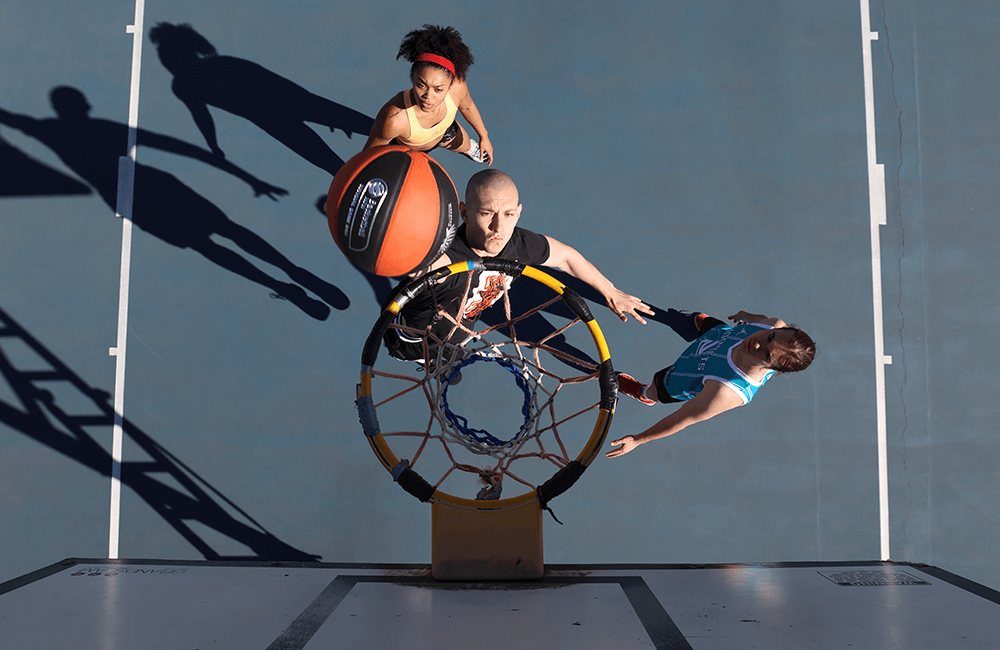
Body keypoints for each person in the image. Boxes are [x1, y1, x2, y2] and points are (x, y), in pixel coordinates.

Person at [383, 169, 652, 361]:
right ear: (464, 212)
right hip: (413, 340)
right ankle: (428, 361)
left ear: (518, 212)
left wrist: (611, 291)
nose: (499, 227)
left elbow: (567, 257)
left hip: (460, 327)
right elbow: (425, 267)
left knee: (454, 346)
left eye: (509, 214)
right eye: (487, 213)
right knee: (428, 355)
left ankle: (447, 356)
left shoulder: (517, 243)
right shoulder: (449, 257)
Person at [606, 310, 816, 458]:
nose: (758, 343)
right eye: (770, 337)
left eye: (767, 354)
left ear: (774, 369)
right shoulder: (773, 324)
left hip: (687, 374)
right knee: (711, 326)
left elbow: (683, 419)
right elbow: (762, 319)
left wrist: (638, 440)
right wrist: (747, 316)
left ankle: (644, 394)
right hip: (719, 337)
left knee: (656, 388)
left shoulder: (726, 391)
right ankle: (700, 326)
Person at [364, 25, 493, 165]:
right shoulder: (394, 119)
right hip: (404, 150)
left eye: (438, 89)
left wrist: (484, 136)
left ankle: (468, 149)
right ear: (412, 78)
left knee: (466, 144)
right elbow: (368, 155)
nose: (428, 96)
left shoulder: (458, 88)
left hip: (445, 134)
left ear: (450, 85)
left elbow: (467, 107)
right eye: (421, 85)